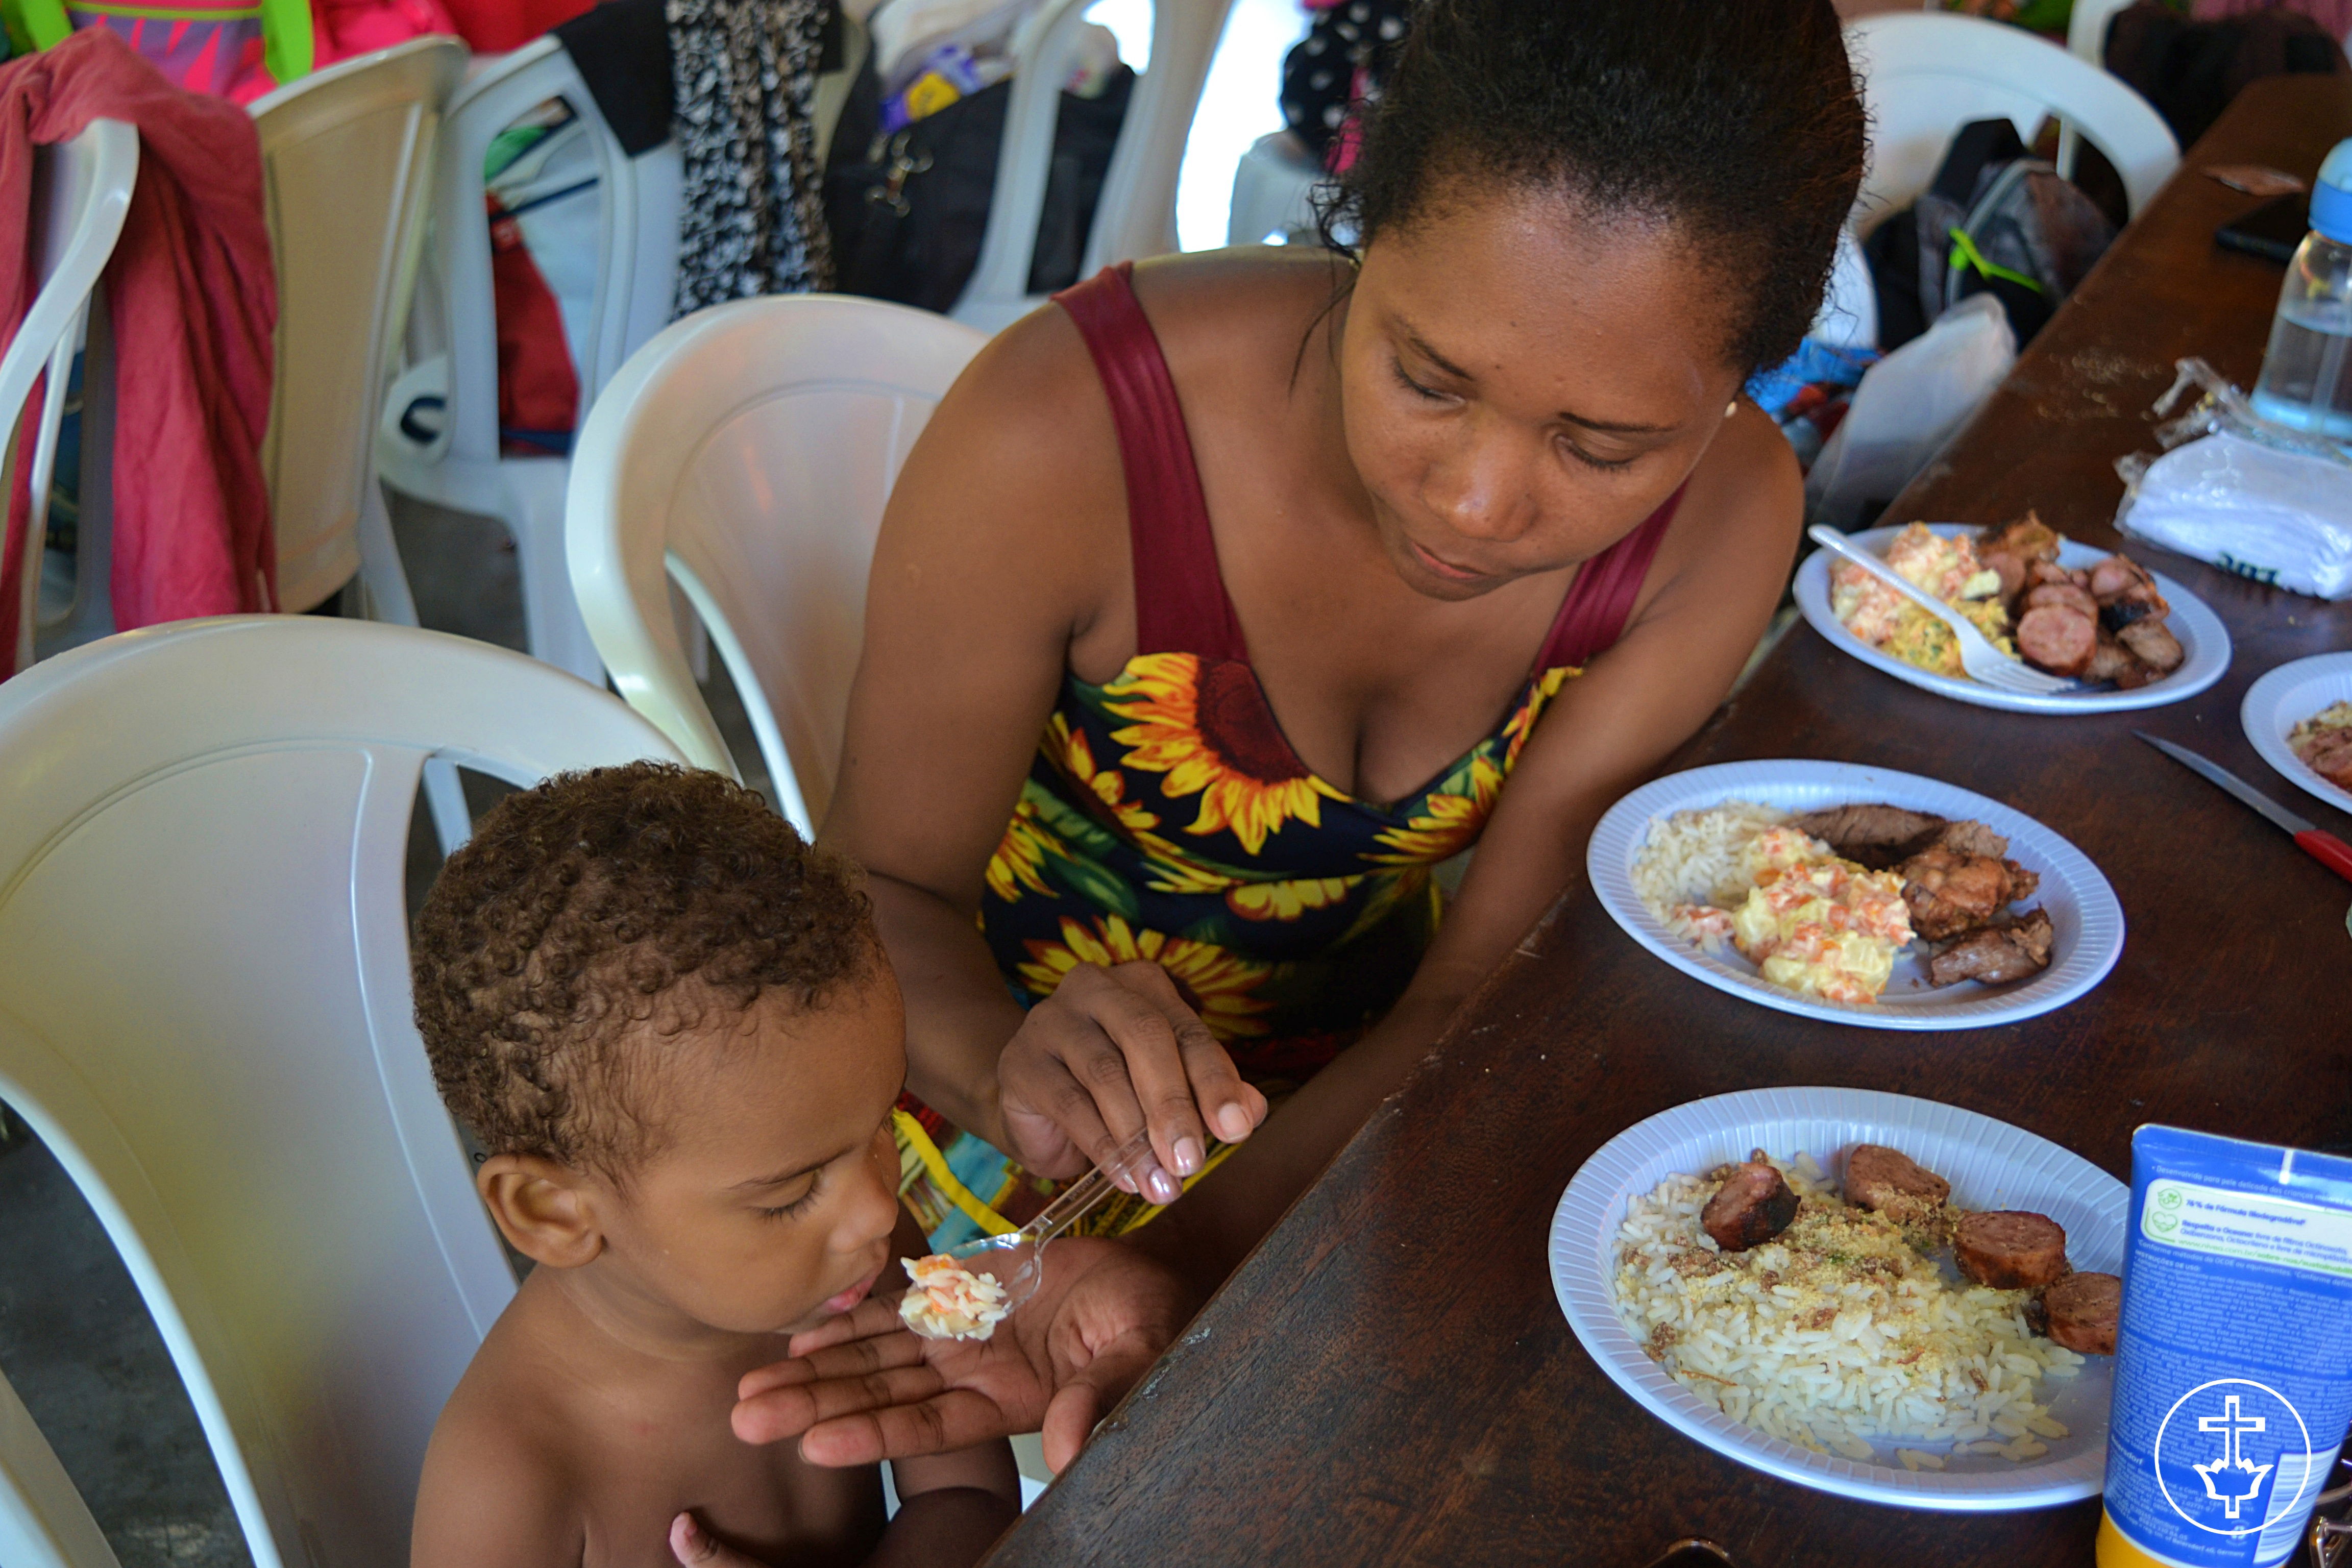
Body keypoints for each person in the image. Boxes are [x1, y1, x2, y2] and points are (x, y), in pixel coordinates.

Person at [764, 0, 1866, 1461]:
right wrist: (1013, 1065)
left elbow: (1470, 993)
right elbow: (872, 893)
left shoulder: (1717, 526)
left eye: (1600, 447)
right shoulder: (1073, 433)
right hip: (969, 1110)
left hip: (1373, 1106)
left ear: (1746, 383)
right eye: (1425, 376)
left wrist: (1194, 1262)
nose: (1476, 503)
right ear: (1359, 219)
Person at [406, 763, 1172, 1565]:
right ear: (553, 1212)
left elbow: (965, 1493)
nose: (880, 1207)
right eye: (791, 1194)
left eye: (885, 1125)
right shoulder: (512, 1480)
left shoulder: (851, 1253)